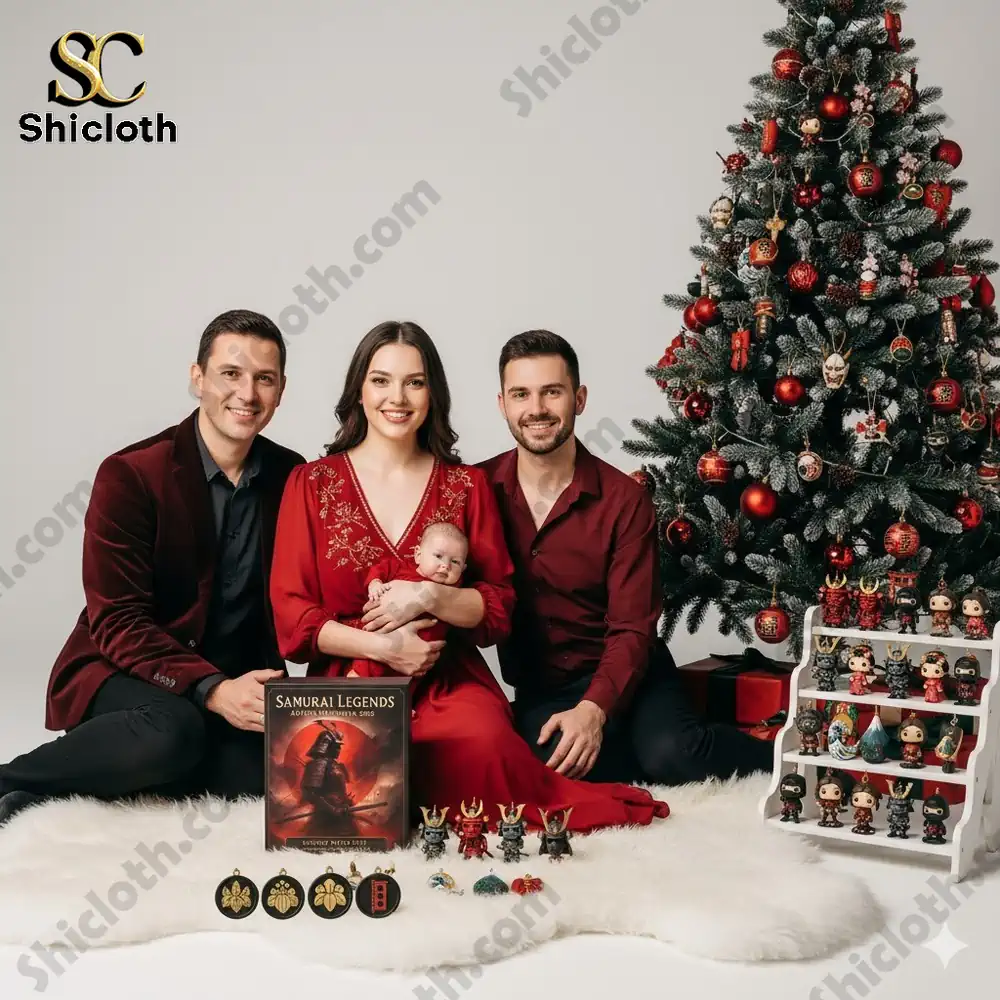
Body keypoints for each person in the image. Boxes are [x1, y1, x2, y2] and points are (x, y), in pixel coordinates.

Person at [268, 320, 669, 832]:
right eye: (381, 380)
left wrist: (429, 596)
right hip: (348, 677)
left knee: (485, 744)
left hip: (447, 680)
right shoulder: (310, 483)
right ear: (359, 392)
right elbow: (292, 613)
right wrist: (382, 649)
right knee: (347, 765)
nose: (398, 397)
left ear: (433, 392)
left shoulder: (465, 484)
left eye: (415, 382)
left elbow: (498, 609)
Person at [0, 310, 305, 827]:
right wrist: (212, 690)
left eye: (265, 378)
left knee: (272, 780)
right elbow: (118, 621)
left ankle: (56, 793)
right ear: (198, 378)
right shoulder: (132, 474)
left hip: (233, 681)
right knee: (173, 732)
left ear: (280, 391)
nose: (247, 393)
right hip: (122, 670)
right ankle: (11, 779)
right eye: (231, 372)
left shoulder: (291, 475)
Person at [479, 330, 774, 785]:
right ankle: (627, 744)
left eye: (552, 392)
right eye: (521, 394)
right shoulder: (477, 490)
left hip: (631, 675)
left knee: (675, 756)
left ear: (578, 399)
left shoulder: (624, 500)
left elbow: (634, 628)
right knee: (547, 768)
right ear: (503, 404)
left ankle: (772, 752)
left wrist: (594, 711)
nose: (536, 409)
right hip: (544, 690)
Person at [345, 521, 467, 683]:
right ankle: (357, 678)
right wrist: (375, 584)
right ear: (418, 555)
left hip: (422, 656)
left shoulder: (454, 589)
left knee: (412, 678)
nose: (445, 566)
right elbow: (379, 570)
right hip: (386, 637)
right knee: (373, 664)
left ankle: (401, 700)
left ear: (463, 568)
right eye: (438, 556)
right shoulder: (400, 569)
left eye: (455, 562)